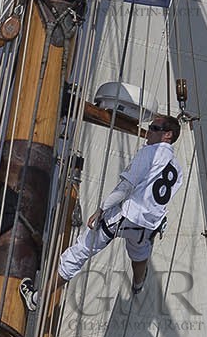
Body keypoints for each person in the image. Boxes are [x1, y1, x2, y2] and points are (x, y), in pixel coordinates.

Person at [22, 114, 184, 309]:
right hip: (147, 225)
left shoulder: (150, 152)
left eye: (154, 129)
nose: (148, 132)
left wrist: (101, 209)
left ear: (168, 135)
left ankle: (35, 299)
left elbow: (126, 187)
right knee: (139, 253)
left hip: (125, 216)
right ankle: (138, 285)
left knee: (79, 252)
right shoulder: (177, 168)